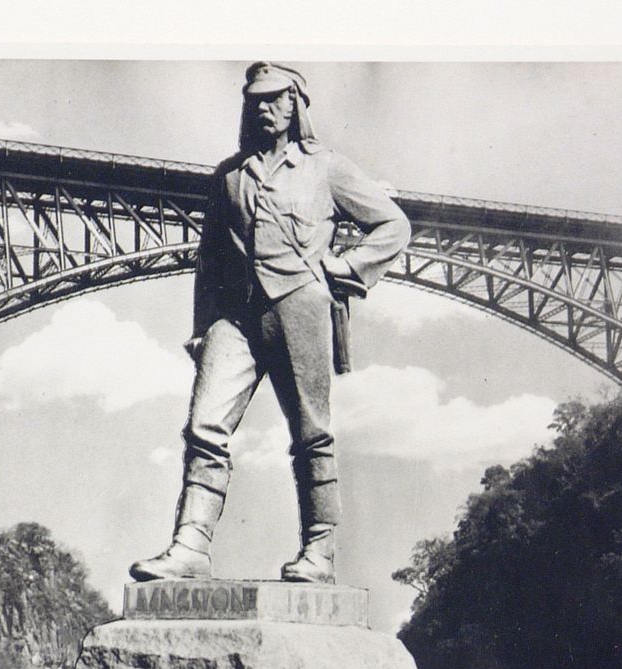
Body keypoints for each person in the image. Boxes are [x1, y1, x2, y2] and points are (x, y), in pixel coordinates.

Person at [130, 61, 411, 585]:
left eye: (275, 97)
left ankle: (320, 551)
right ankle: (190, 545)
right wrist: (202, 327)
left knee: (312, 432)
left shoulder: (326, 167)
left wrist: (346, 267)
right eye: (255, 98)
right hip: (234, 316)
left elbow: (394, 225)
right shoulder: (228, 176)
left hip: (300, 307)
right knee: (203, 426)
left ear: (296, 103)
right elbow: (209, 258)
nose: (263, 106)